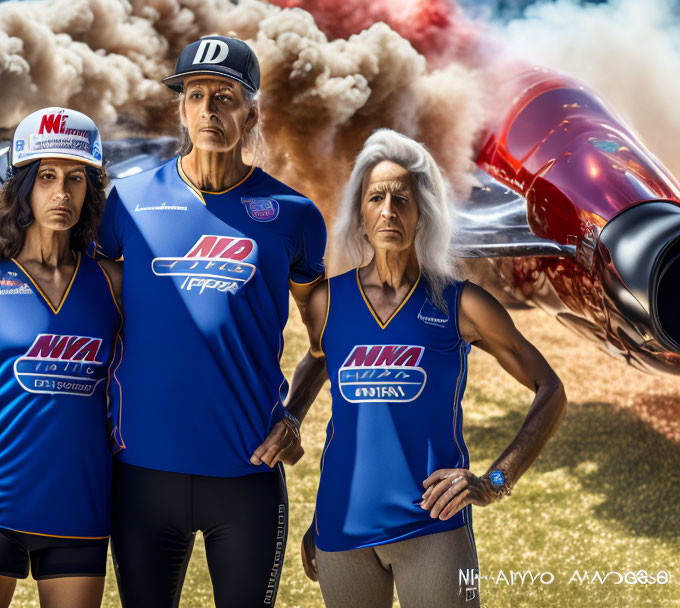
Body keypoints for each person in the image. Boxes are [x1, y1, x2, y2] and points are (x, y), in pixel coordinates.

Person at [92, 35, 326, 607]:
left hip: (246, 476)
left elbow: (328, 343)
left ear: (251, 111)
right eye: (195, 95)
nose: (209, 111)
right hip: (142, 473)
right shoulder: (126, 203)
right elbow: (85, 311)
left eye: (224, 96)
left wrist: (292, 416)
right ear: (180, 107)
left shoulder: (292, 216)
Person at [291, 130, 567, 607]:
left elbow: (550, 389)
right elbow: (317, 360)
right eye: (376, 197)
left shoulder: (462, 304)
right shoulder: (326, 301)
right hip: (340, 531)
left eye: (402, 199)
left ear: (423, 213)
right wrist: (291, 417)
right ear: (360, 211)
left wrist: (495, 481)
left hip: (433, 528)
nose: (389, 211)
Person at [0, 107, 123, 608]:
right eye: (47, 177)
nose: (62, 193)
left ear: (90, 190)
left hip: (81, 513)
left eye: (76, 179)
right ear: (23, 188)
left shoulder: (112, 285)